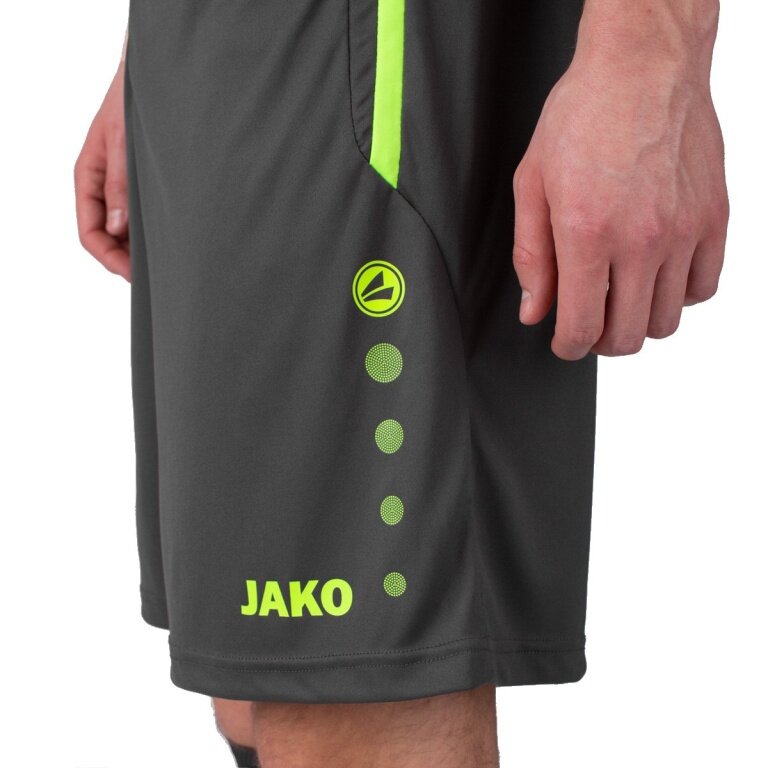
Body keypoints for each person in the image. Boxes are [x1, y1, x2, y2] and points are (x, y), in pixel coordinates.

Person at [74, 0, 728, 765]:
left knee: (351, 680)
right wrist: (151, 49)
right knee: (257, 672)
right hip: (221, 35)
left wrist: (652, 51)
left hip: (363, 37)